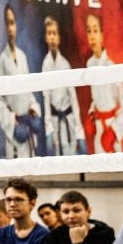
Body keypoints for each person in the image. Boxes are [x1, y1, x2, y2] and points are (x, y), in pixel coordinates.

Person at [0, 4, 43, 159]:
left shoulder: (22, 56)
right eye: (7, 23)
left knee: (31, 167)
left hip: (27, 127)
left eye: (12, 23)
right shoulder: (3, 60)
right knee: (16, 169)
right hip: (16, 130)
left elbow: (28, 92)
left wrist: (33, 110)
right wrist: (11, 123)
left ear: (16, 25)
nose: (10, 28)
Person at [40, 17, 83, 156]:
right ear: (46, 38)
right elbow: (46, 98)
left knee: (71, 154)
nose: (52, 37)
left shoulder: (65, 64)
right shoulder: (45, 65)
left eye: (54, 33)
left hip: (68, 118)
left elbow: (73, 98)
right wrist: (49, 128)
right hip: (54, 119)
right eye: (49, 33)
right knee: (57, 156)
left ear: (58, 38)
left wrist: (78, 127)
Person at [86, 13, 123, 151]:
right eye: (89, 31)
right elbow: (96, 99)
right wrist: (92, 113)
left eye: (95, 30)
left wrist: (114, 131)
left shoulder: (111, 66)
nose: (92, 36)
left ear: (102, 35)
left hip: (111, 128)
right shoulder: (89, 64)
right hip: (99, 128)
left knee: (115, 163)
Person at [43, 190, 114, 244]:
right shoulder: (55, 236)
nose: (71, 216)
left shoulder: (104, 234)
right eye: (66, 212)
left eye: (76, 210)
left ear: (88, 212)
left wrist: (77, 243)